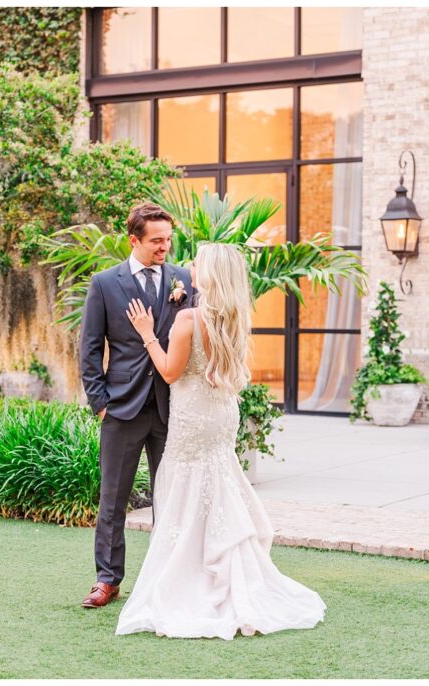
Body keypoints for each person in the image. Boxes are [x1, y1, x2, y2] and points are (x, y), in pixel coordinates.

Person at [114, 242, 326, 640]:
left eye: (198, 261)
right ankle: (226, 572)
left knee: (184, 489)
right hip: (222, 414)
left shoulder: (189, 319)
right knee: (219, 484)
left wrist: (146, 334)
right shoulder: (232, 318)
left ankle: (193, 580)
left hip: (193, 416)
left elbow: (170, 372)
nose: (191, 265)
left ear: (209, 273)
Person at [78, 202, 194, 609]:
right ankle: (107, 580)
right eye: (157, 241)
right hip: (121, 408)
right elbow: (90, 348)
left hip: (171, 408)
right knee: (113, 499)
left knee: (171, 496)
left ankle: (169, 576)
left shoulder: (184, 279)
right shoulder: (106, 283)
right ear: (134, 240)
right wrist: (100, 403)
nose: (165, 247)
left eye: (168, 239)